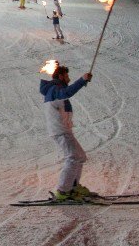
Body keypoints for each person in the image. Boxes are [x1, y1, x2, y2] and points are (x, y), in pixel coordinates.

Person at [39, 65, 94, 201]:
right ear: (61, 76)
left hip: (64, 131)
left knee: (79, 156)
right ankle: (62, 191)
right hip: (60, 131)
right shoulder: (55, 89)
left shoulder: (56, 89)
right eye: (67, 76)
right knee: (73, 156)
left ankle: (73, 188)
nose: (69, 78)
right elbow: (68, 92)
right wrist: (82, 80)